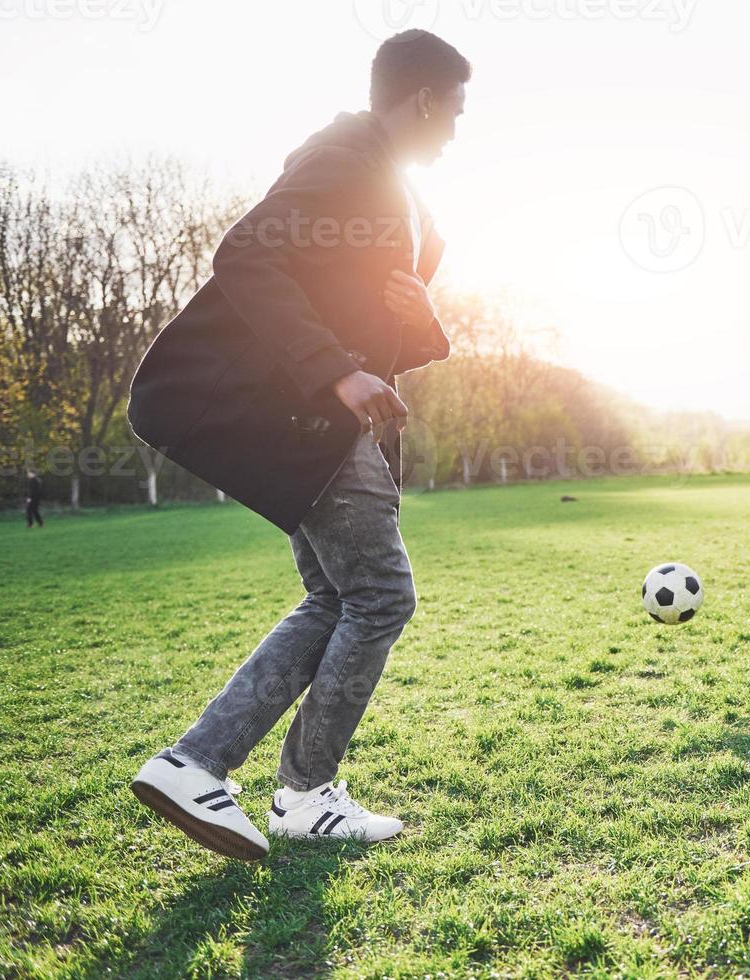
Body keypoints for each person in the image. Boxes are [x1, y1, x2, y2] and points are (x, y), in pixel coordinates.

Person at [126, 30, 470, 860]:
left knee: (336, 599)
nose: (457, 129)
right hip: (303, 415)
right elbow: (244, 255)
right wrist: (336, 376)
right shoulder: (347, 155)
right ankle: (280, 783)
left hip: (325, 418)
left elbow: (386, 321)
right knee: (381, 596)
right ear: (421, 99)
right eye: (454, 110)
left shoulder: (400, 194)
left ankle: (228, 772)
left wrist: (423, 328)